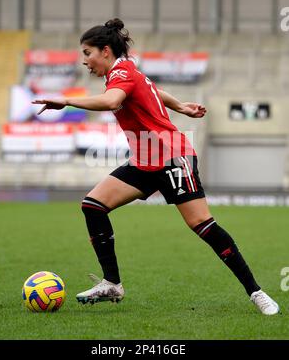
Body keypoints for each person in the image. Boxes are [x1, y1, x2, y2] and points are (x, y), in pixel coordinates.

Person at [33, 18, 279, 315]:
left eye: (87, 53)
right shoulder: (125, 71)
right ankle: (112, 282)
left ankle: (256, 292)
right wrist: (181, 106)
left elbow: (113, 102)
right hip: (145, 160)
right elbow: (150, 90)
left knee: (203, 226)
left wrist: (66, 101)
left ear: (105, 51)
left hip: (173, 157)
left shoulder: (121, 73)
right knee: (93, 205)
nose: (84, 61)